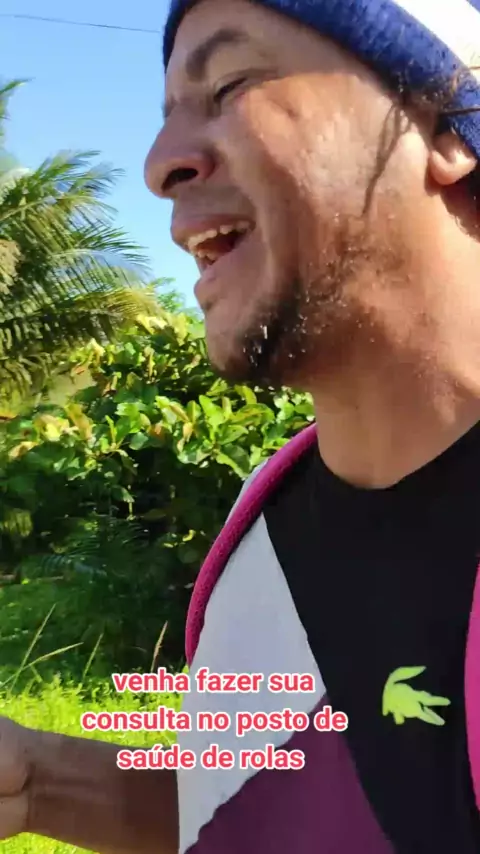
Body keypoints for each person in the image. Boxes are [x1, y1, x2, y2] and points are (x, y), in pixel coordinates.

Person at [2, 0, 480, 850]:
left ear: (446, 127)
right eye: (166, 117)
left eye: (230, 83)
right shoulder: (257, 535)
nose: (159, 165)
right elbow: (249, 803)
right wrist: (34, 779)